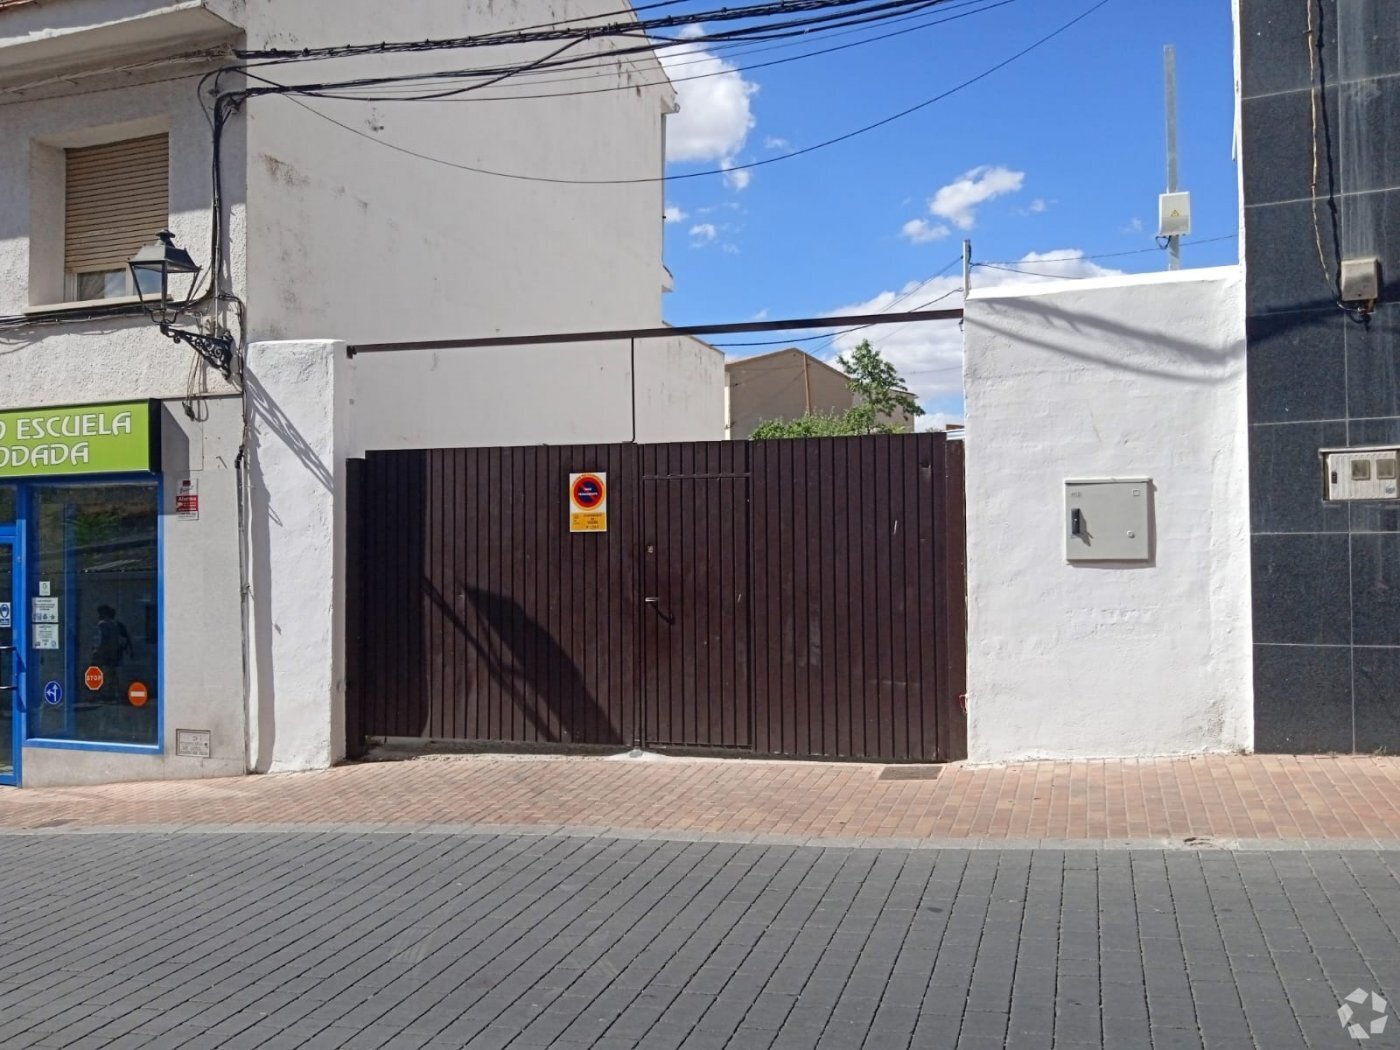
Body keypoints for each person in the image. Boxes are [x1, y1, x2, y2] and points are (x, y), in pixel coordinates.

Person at [90, 605, 132, 702]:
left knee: (105, 675)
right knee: (112, 675)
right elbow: (123, 640)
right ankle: (114, 695)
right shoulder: (116, 625)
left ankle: (107, 695)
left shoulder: (102, 625)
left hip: (104, 654)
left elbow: (99, 641)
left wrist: (95, 652)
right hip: (114, 654)